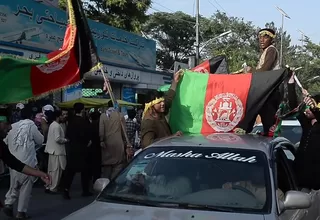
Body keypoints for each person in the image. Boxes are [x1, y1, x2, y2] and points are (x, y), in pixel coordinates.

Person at [0, 116, 50, 210]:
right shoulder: (31, 126)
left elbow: (13, 161)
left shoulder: (10, 131)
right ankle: (21, 211)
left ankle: (9, 203)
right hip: (28, 160)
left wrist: (40, 173)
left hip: (17, 163)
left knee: (14, 184)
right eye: (7, 125)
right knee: (25, 187)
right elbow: (40, 140)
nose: (10, 128)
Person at [287, 73, 320, 190]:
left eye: (310, 107)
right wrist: (291, 84)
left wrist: (312, 104)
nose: (307, 110)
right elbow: (294, 107)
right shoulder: (306, 124)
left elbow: (316, 111)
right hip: (300, 174)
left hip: (316, 178)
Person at [140, 70, 183, 148]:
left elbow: (169, 97)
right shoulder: (148, 122)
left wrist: (175, 81)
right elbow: (148, 144)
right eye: (159, 102)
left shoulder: (160, 112)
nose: (162, 104)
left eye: (162, 101)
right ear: (151, 105)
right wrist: (172, 137)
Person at [63, 103, 92, 199]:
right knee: (85, 171)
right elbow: (87, 135)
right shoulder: (84, 122)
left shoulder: (71, 121)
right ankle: (85, 190)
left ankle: (66, 189)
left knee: (70, 171)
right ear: (82, 110)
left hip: (73, 148)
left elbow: (68, 134)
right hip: (83, 149)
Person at [99, 101, 129, 180]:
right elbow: (124, 132)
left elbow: (101, 131)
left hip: (107, 144)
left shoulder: (103, 116)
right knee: (118, 166)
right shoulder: (120, 115)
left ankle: (105, 185)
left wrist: (101, 140)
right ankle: (113, 183)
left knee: (106, 167)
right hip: (118, 144)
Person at [45, 110, 68, 194]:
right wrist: (66, 140)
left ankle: (49, 185)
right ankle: (53, 187)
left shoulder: (52, 125)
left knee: (51, 170)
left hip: (52, 150)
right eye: (62, 115)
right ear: (58, 116)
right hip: (57, 151)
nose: (63, 117)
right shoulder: (57, 126)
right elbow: (57, 139)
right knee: (57, 171)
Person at [89, 111, 101, 183]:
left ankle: (91, 177)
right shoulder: (98, 126)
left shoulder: (89, 125)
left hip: (91, 148)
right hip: (97, 148)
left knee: (91, 165)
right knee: (97, 166)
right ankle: (96, 180)